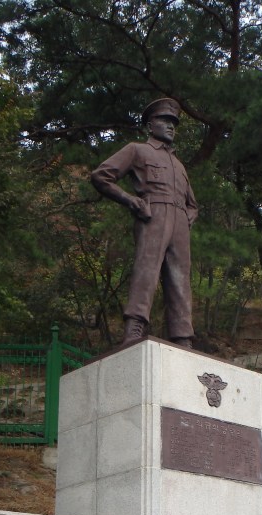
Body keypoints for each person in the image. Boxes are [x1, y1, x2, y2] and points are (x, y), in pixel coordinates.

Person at [90, 97, 199, 347]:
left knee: (180, 277)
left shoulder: (179, 165)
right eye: (165, 121)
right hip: (153, 214)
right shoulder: (137, 150)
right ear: (151, 126)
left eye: (174, 123)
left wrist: (189, 216)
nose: (171, 126)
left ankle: (183, 335)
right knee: (146, 270)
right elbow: (101, 176)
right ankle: (135, 326)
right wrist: (130, 200)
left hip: (179, 220)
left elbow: (193, 203)